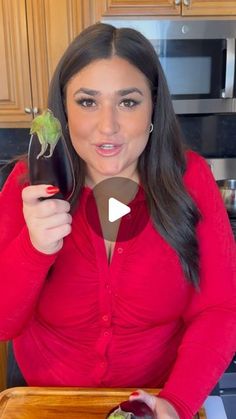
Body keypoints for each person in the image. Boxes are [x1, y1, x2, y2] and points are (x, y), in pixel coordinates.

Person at [0, 22, 235, 419]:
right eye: (87, 102)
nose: (107, 127)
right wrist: (34, 249)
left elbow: (220, 309)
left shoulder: (190, 179)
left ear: (153, 108)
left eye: (128, 102)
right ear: (64, 109)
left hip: (156, 400)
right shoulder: (28, 187)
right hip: (46, 401)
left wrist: (176, 403)